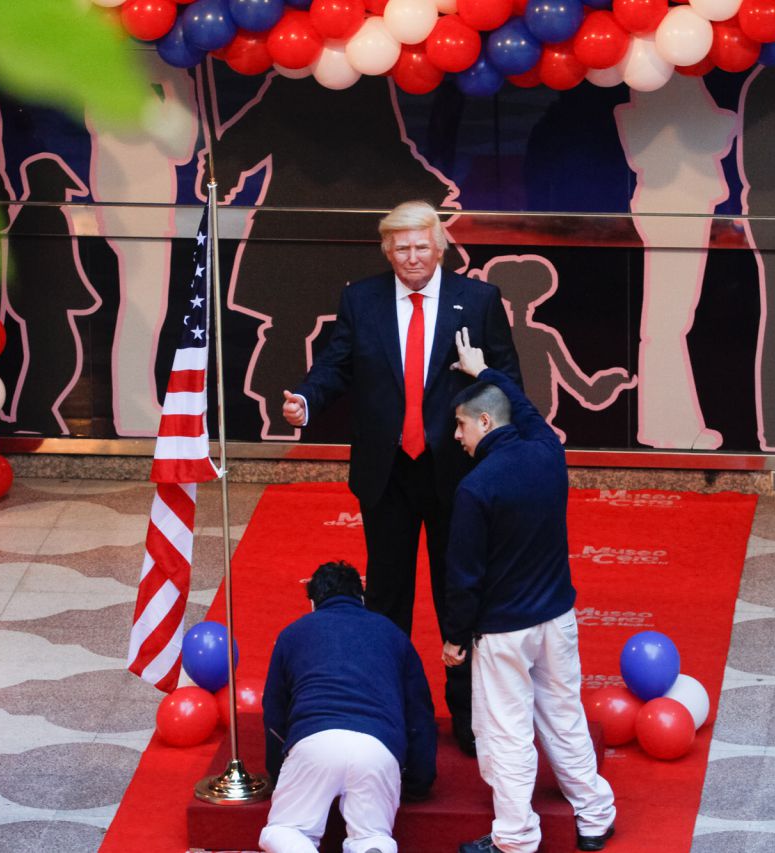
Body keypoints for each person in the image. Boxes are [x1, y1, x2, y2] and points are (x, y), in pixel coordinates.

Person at [282, 200, 521, 754]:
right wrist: (307, 404)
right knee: (386, 599)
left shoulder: (478, 300)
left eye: (422, 246)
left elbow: (506, 380)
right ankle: (386, 713)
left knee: (458, 598)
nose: (412, 257)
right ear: (387, 251)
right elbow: (335, 365)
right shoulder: (361, 299)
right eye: (401, 248)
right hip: (386, 473)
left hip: (458, 475)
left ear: (439, 247)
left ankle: (467, 719)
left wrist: (497, 443)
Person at [441, 329, 616, 853]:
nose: (457, 435)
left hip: (504, 632)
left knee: (506, 735)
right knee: (565, 716)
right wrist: (486, 374)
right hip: (558, 619)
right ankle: (596, 817)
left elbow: (463, 577)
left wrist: (454, 637)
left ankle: (515, 839)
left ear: (485, 422)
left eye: (461, 423)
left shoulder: (475, 488)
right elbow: (525, 407)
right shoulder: (548, 451)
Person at [260, 560, 438, 853]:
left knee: (284, 830)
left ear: (313, 604)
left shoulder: (292, 633)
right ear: (362, 597)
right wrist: (419, 780)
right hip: (378, 747)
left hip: (314, 741)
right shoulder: (392, 633)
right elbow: (419, 713)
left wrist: (279, 773)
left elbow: (274, 714)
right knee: (372, 838)